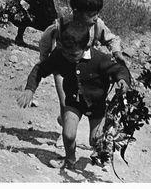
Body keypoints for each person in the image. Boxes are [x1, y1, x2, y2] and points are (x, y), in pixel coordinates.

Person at [18, 19, 131, 170]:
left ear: (86, 47)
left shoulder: (99, 59)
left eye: (73, 54)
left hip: (96, 105)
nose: (68, 56)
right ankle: (69, 158)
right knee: (68, 134)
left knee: (95, 140)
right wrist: (30, 89)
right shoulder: (60, 56)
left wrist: (123, 80)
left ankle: (101, 151)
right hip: (73, 101)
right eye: (65, 51)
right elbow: (40, 70)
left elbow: (119, 70)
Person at [39, 0, 126, 128]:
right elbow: (45, 41)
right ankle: (66, 134)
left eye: (97, 13)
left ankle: (66, 120)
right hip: (62, 69)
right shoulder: (61, 25)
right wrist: (44, 62)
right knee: (65, 101)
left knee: (85, 101)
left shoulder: (96, 25)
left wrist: (116, 52)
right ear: (76, 12)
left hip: (84, 69)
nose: (96, 18)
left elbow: (111, 39)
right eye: (92, 14)